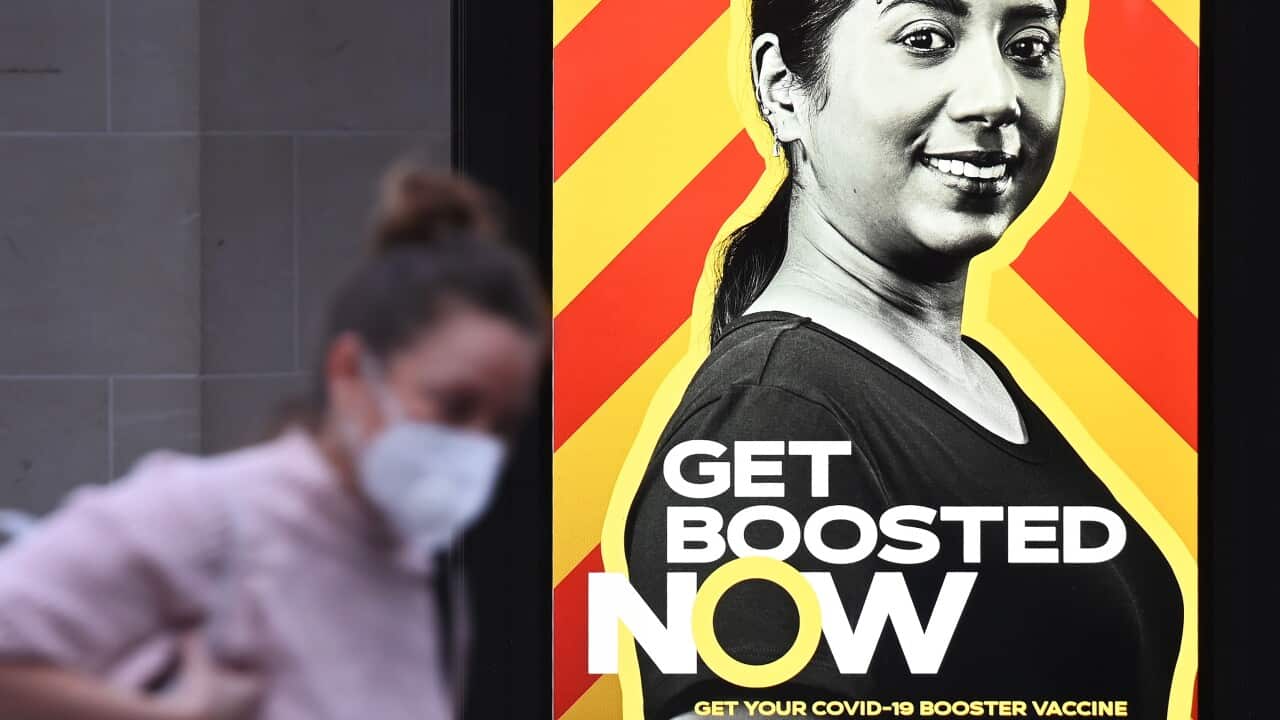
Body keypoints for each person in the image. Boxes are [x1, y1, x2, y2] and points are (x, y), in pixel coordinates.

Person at [623, 0, 1183, 718]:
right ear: (784, 88)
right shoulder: (773, 416)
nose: (998, 96)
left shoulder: (965, 379)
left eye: (1031, 44)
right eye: (925, 39)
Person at [0, 169, 547, 720]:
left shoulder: (421, 574)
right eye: (453, 405)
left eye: (501, 425)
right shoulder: (206, 515)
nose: (476, 445)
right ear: (351, 371)